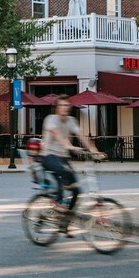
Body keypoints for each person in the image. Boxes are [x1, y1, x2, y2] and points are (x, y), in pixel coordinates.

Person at [40, 95, 105, 233]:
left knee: (76, 192)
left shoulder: (71, 120)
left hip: (63, 158)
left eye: (67, 105)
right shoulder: (51, 119)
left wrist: (95, 151)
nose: (64, 108)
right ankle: (58, 203)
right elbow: (57, 134)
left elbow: (81, 136)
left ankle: (64, 224)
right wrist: (69, 146)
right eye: (61, 105)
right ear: (56, 108)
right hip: (48, 156)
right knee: (63, 172)